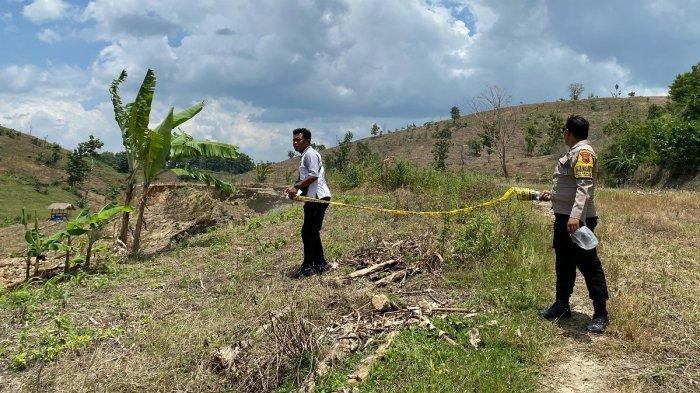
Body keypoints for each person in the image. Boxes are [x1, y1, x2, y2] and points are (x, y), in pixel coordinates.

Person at [538, 115, 610, 333]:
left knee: (589, 264)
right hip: (565, 217)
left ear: (568, 132)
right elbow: (571, 186)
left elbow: (584, 186)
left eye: (563, 130)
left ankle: (600, 313)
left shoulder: (583, 153)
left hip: (577, 220)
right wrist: (554, 195)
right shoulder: (574, 153)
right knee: (564, 263)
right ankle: (561, 306)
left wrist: (576, 216)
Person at [284, 128, 332, 278]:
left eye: (299, 140)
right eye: (294, 140)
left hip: (318, 198)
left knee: (308, 233)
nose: (295, 143)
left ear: (308, 141)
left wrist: (297, 187)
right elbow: (306, 179)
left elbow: (313, 175)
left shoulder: (310, 154)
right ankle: (319, 265)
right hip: (313, 198)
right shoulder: (305, 155)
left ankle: (308, 267)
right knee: (311, 232)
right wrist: (295, 191)